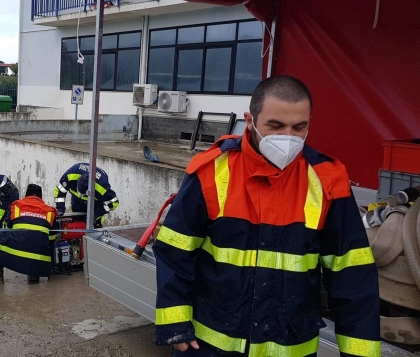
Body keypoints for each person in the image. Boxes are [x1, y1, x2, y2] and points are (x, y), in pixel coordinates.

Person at [153, 76, 380, 356]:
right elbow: (175, 251)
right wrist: (175, 322)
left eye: (299, 127)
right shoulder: (212, 171)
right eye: (275, 126)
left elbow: (351, 272)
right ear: (250, 120)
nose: (288, 137)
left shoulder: (327, 180)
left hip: (291, 344)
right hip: (212, 344)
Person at [0, 184, 57, 284]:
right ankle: (34, 274)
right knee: (38, 241)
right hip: (40, 258)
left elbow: (7, 229)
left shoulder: (15, 206)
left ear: (26, 195)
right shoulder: (50, 211)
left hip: (15, 251)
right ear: (40, 196)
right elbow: (52, 238)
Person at [53, 163, 119, 228]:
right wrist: (60, 209)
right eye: (79, 192)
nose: (81, 196)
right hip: (77, 203)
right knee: (76, 226)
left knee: (94, 232)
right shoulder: (70, 176)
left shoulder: (102, 188)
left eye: (84, 195)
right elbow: (59, 190)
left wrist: (96, 214)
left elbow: (114, 202)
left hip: (94, 205)